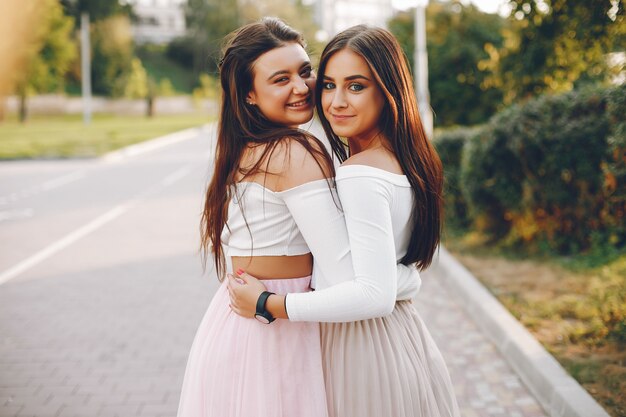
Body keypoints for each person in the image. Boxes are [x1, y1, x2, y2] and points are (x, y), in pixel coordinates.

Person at [176, 18, 418, 417]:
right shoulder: (293, 153)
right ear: (249, 95)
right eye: (280, 79)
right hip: (274, 332)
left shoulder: (248, 148)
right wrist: (409, 278)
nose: (302, 87)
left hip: (237, 326)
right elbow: (348, 279)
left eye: (305, 71)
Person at [228, 25, 460, 417]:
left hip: (361, 347)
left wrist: (272, 303)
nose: (336, 102)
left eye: (356, 86)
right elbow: (384, 280)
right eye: (329, 85)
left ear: (387, 91)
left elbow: (370, 292)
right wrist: (407, 279)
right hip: (402, 337)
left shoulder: (359, 174)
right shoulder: (403, 161)